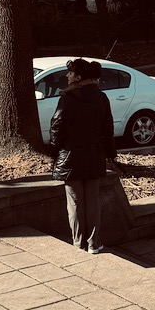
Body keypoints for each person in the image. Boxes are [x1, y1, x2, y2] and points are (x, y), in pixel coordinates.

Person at [47, 58, 116, 253]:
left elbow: (56, 128)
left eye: (70, 73)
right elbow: (107, 129)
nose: (67, 76)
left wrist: (54, 151)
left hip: (70, 158)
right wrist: (110, 153)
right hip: (94, 155)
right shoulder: (101, 98)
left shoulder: (67, 99)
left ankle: (78, 243)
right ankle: (94, 243)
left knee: (75, 202)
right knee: (93, 200)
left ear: (78, 77)